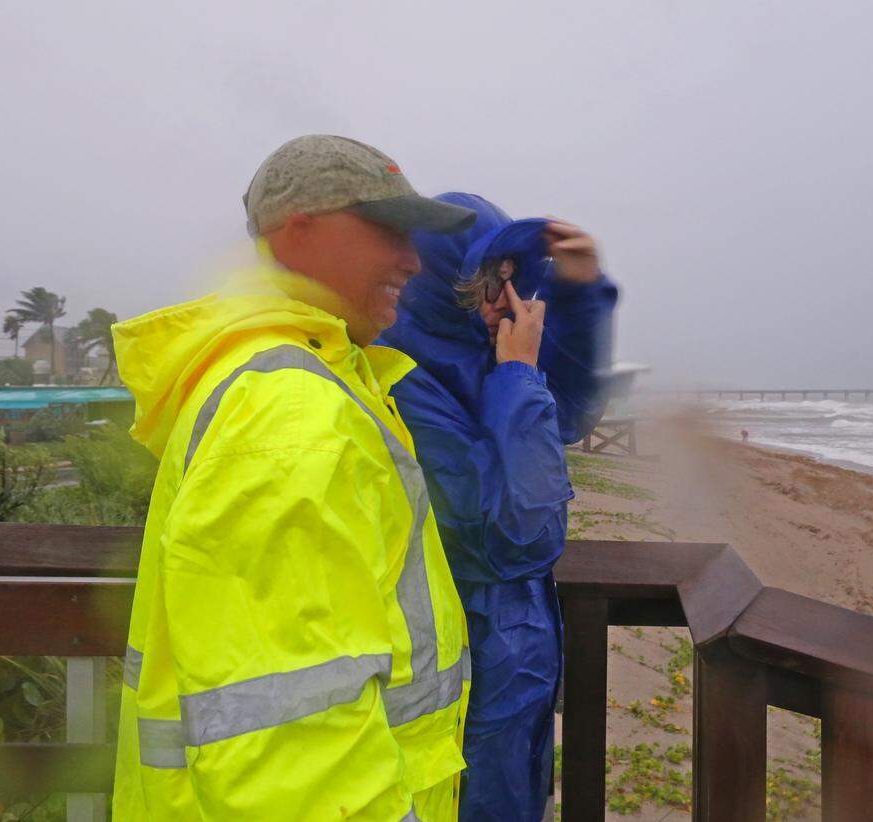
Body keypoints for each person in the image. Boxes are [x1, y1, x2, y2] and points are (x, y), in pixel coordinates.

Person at [111, 135, 477, 820]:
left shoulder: (287, 378)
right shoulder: (289, 411)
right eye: (389, 230)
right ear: (296, 234)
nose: (412, 258)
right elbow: (292, 743)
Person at [379, 193, 618, 820]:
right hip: (466, 646)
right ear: (435, 284)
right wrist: (516, 377)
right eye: (479, 287)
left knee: (515, 790)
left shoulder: (489, 351)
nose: (497, 306)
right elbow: (515, 535)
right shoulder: (404, 376)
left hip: (517, 644)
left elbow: (569, 413)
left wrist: (579, 295)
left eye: (507, 283)